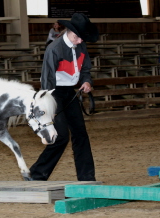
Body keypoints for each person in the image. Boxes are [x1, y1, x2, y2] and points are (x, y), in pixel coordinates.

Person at [30, 13, 99, 182]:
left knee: (80, 134)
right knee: (60, 136)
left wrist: (86, 81)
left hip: (70, 91)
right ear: (69, 32)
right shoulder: (54, 48)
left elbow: (85, 69)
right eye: (77, 37)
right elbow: (47, 79)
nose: (80, 41)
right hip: (54, 93)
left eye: (82, 38)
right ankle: (37, 174)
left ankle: (86, 177)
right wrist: (48, 107)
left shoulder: (81, 45)